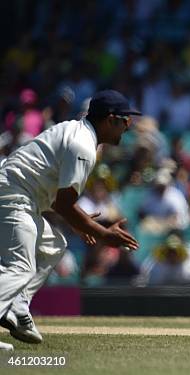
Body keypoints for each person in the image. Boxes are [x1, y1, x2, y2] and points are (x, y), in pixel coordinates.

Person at [0, 90, 140, 351]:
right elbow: (64, 204)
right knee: (20, 266)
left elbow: (52, 194)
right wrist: (102, 234)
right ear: (110, 119)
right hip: (13, 195)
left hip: (18, 193)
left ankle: (17, 309)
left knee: (53, 245)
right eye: (125, 121)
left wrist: (81, 221)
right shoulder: (83, 146)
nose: (128, 127)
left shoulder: (75, 130)